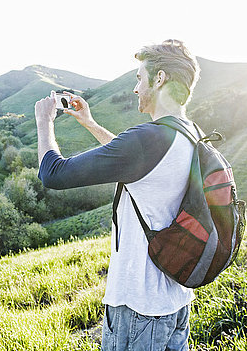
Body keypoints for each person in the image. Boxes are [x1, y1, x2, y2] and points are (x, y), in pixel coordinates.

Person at [35, 39, 201, 351]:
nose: (137, 88)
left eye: (140, 78)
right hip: (176, 300)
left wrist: (44, 123)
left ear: (160, 78)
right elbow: (139, 166)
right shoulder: (189, 132)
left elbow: (52, 174)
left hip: (139, 306)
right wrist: (90, 124)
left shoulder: (148, 139)